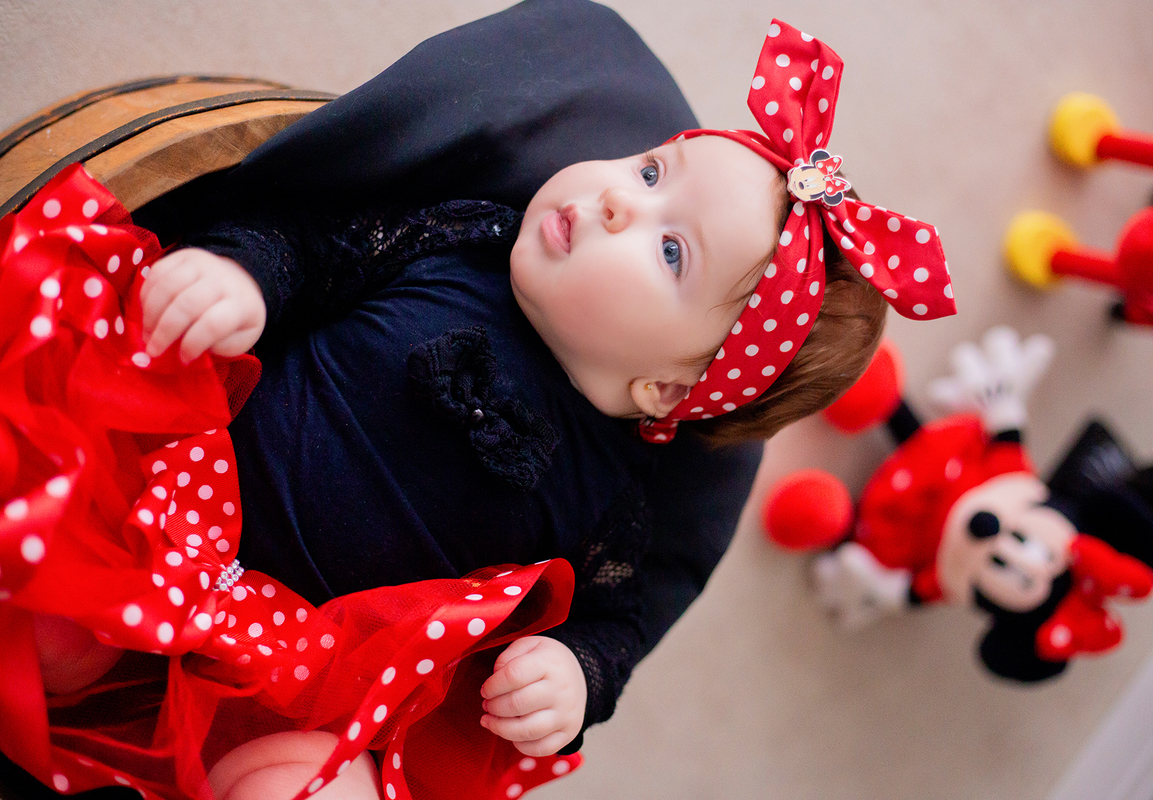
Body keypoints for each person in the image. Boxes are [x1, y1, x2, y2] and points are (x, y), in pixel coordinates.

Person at [0, 5, 954, 800]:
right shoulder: (462, 236)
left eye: (671, 251)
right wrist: (248, 279)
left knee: (321, 784)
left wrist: (578, 676)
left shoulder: (615, 500)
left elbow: (622, 618)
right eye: (652, 169)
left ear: (668, 388)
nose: (622, 198)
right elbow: (320, 244)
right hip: (171, 508)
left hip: (297, 665)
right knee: (53, 618)